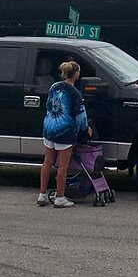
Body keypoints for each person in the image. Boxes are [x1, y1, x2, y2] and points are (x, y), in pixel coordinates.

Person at [37, 60, 91, 208]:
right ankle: (60, 197)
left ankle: (42, 195)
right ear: (75, 74)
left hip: (49, 126)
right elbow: (81, 115)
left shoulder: (54, 86)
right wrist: (86, 129)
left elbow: (49, 105)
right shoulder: (75, 93)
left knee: (47, 162)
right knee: (62, 166)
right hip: (64, 130)